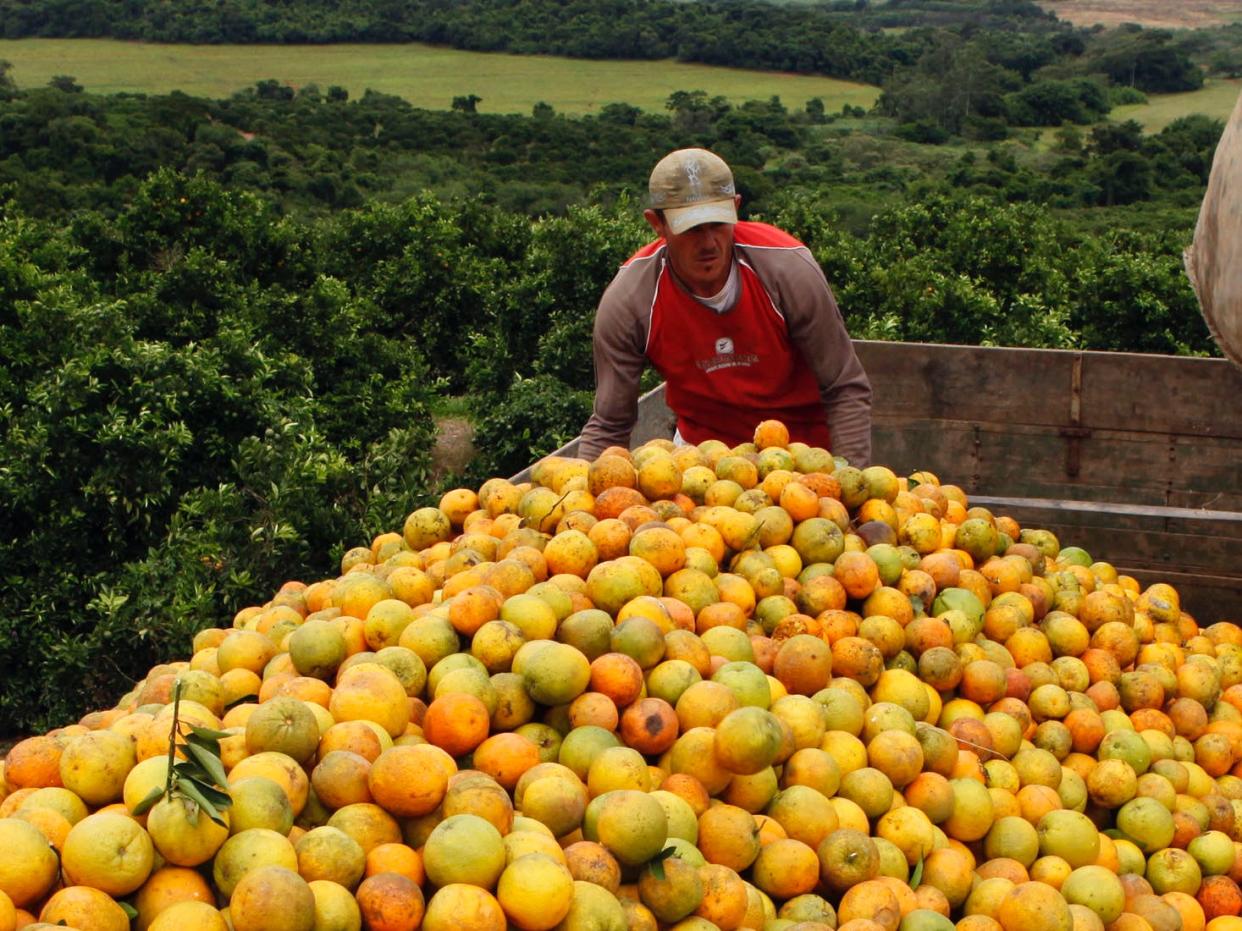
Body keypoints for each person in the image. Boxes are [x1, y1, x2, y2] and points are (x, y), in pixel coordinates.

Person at [578, 147, 872, 465]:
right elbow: (610, 424)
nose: (708, 243)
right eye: (691, 228)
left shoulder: (786, 269)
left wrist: (849, 482)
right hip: (702, 462)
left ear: (736, 208)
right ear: (656, 223)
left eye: (717, 223)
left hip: (802, 455)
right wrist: (580, 501)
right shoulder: (631, 300)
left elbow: (843, 387)